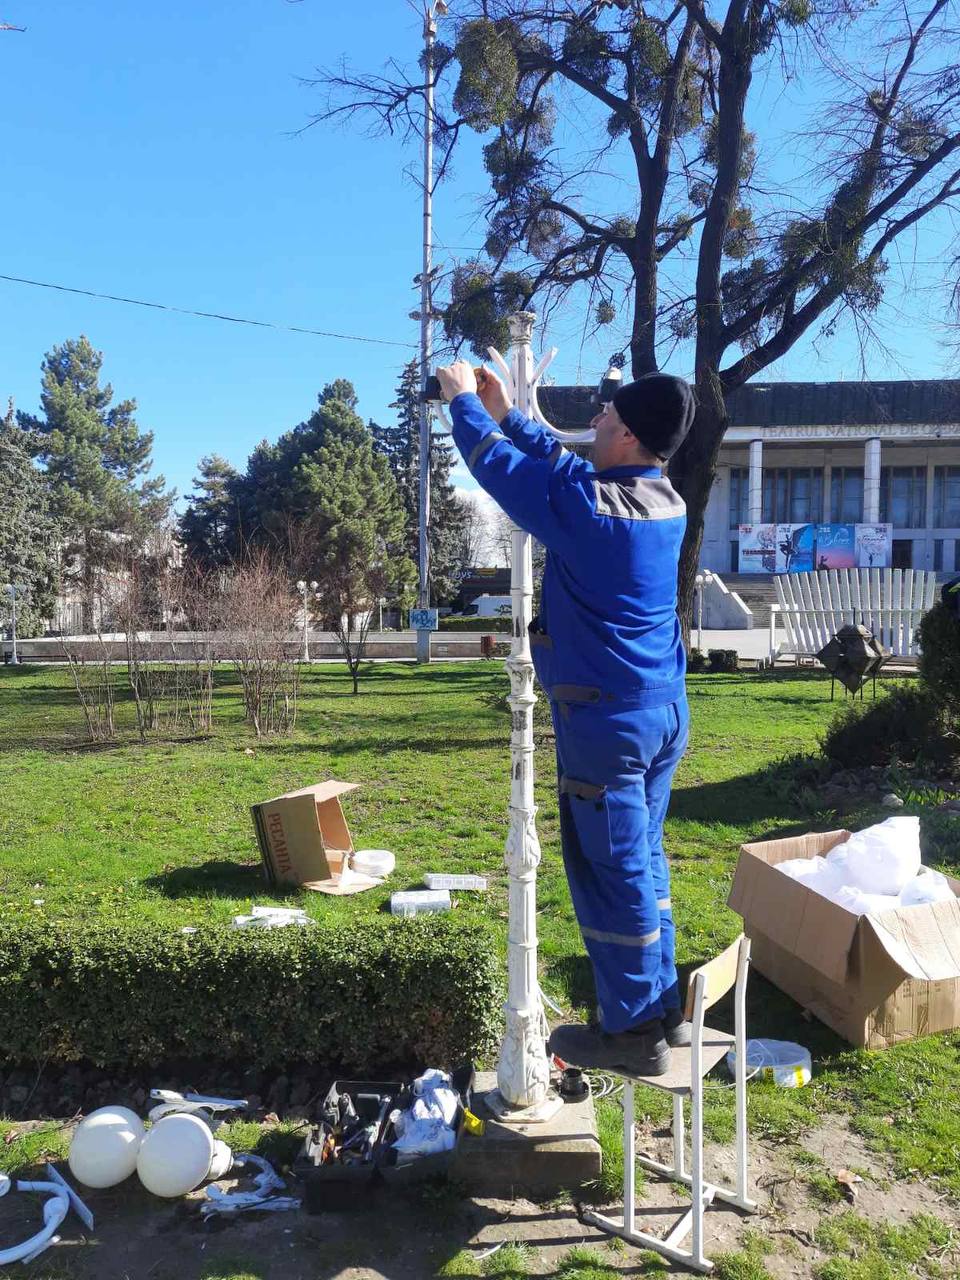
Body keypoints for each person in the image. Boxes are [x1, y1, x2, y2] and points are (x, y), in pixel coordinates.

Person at [436, 359, 695, 1076]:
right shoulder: (660, 499)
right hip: (659, 712)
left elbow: (505, 473)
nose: (595, 422)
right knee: (642, 859)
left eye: (607, 417)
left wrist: (464, 404)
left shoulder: (590, 510)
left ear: (629, 435)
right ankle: (664, 1010)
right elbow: (563, 467)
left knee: (610, 869)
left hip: (608, 725)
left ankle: (632, 1031)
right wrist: (509, 412)